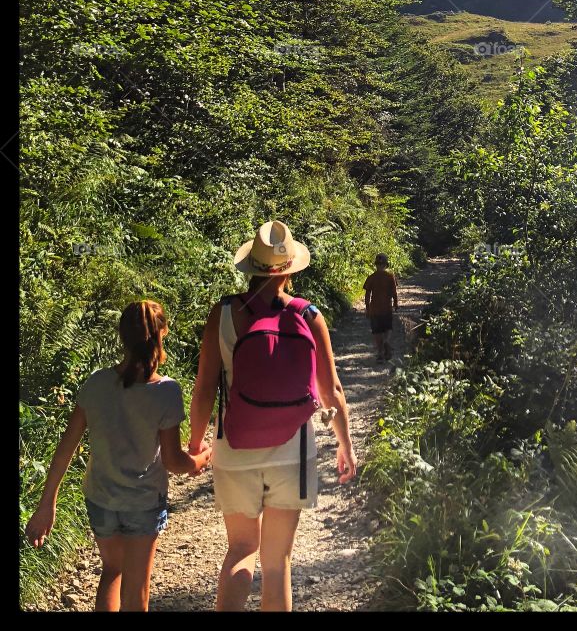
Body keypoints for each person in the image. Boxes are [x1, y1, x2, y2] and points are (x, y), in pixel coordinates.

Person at [188, 220, 356, 613]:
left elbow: (204, 389)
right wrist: (345, 445)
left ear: (252, 267)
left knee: (241, 550)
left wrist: (197, 443)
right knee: (277, 562)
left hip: (235, 449)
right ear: (289, 270)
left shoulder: (223, 314)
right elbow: (332, 392)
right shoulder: (309, 315)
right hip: (292, 452)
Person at [25, 300, 211, 612]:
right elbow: (173, 461)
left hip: (101, 500)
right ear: (161, 335)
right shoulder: (165, 392)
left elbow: (65, 449)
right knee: (136, 588)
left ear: (121, 337)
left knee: (112, 570)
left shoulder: (97, 382)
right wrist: (202, 459)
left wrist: (47, 505)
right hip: (143, 504)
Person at [363, 253, 399, 362]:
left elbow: (367, 294)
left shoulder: (371, 277)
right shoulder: (390, 277)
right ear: (386, 265)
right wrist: (395, 304)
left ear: (376, 265)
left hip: (375, 310)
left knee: (376, 332)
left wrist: (368, 308)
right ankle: (387, 341)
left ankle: (380, 353)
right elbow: (394, 292)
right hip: (386, 308)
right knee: (388, 328)